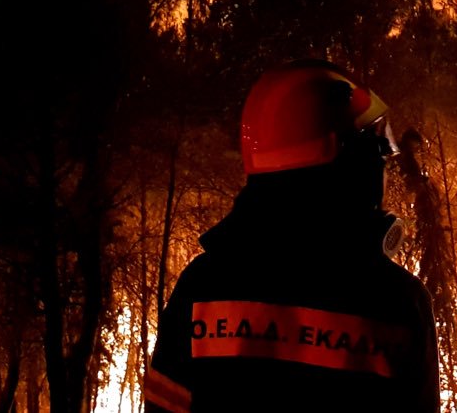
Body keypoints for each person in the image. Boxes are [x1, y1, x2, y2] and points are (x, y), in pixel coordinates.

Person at [145, 59, 439, 413]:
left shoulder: (200, 288)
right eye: (375, 157)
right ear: (350, 169)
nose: (382, 174)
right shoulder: (396, 303)